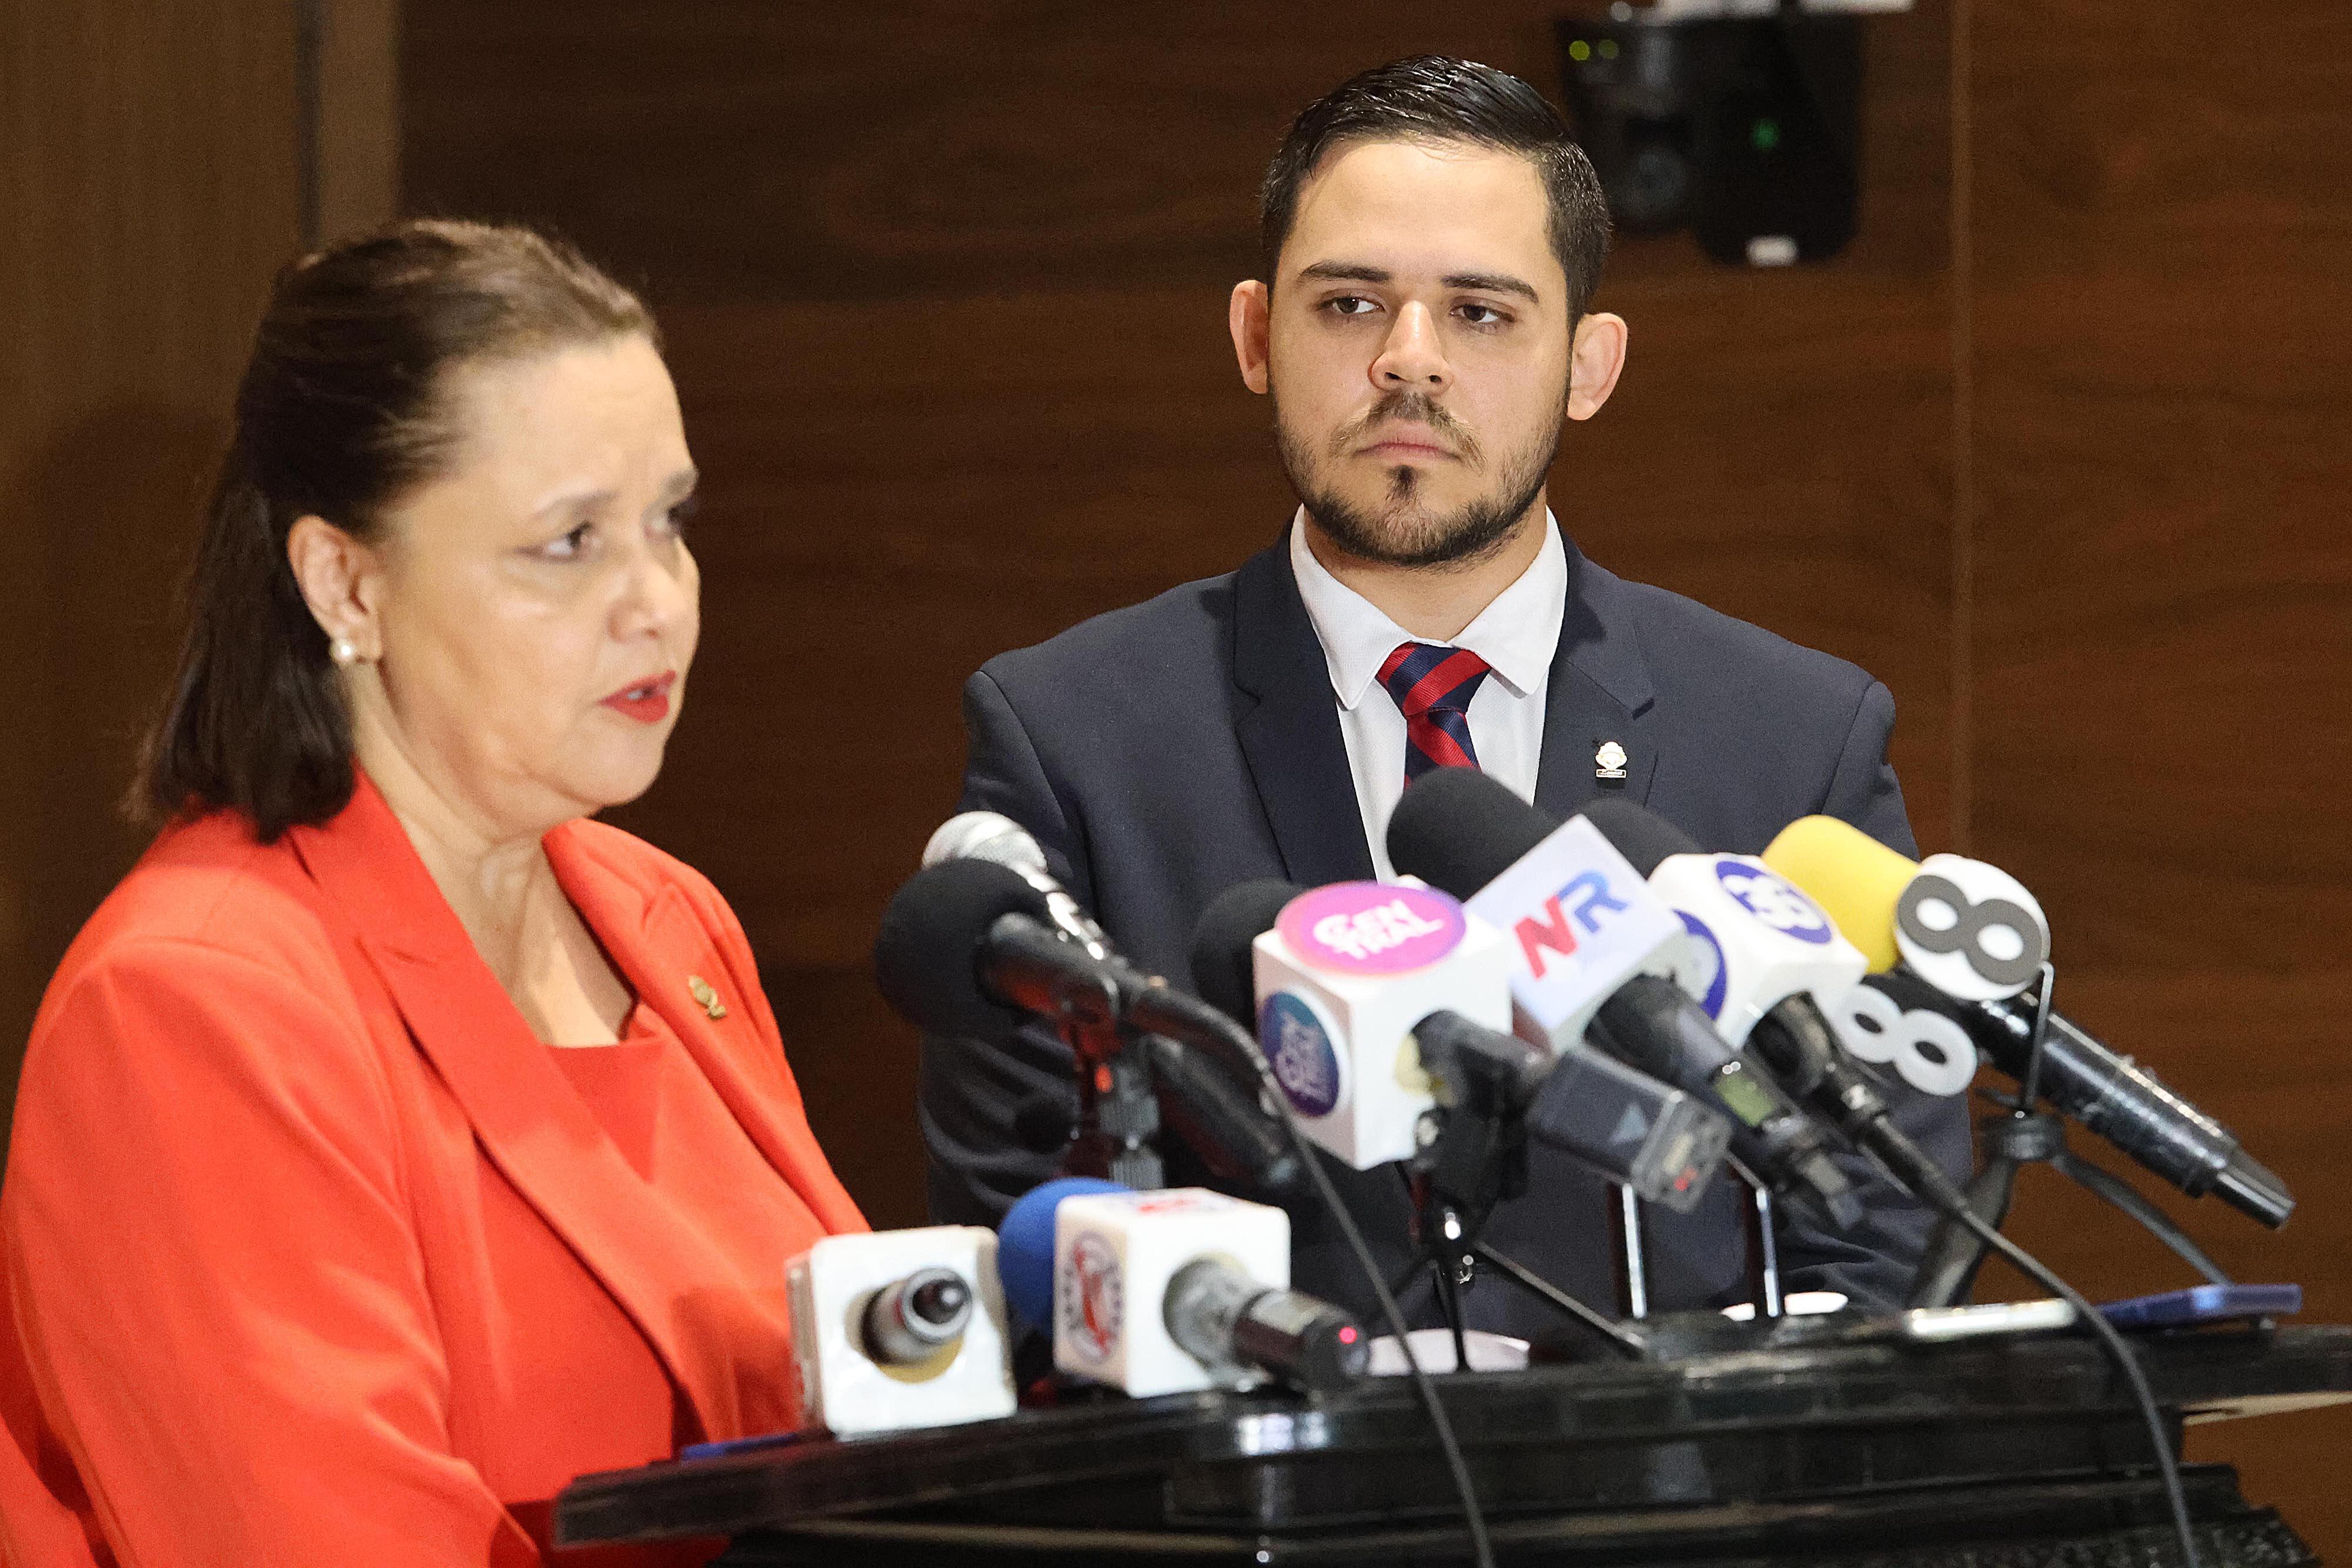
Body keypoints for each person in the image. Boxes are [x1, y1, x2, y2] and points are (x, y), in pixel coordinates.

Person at [920, 57, 1970, 1341]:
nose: (1405, 364)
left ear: (1588, 364)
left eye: (1479, 314)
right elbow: (1030, 1226)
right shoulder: (1073, 735)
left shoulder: (1796, 737)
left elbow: (1880, 1226)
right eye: (1351, 303)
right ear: (1256, 336)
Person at [0, 221, 864, 1567]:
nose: (659, 601)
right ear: (347, 581)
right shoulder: (194, 1003)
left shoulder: (662, 915)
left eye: (667, 521)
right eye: (569, 541)